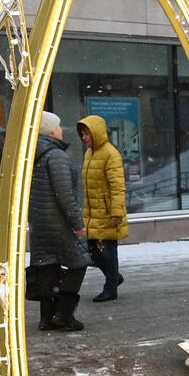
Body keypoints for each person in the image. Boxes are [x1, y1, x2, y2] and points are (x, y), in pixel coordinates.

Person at [28, 112, 91, 331]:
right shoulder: (55, 156)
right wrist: (78, 224)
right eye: (59, 125)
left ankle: (46, 318)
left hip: (38, 221)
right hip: (58, 222)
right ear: (50, 130)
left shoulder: (31, 154)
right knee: (79, 262)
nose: (61, 129)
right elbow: (65, 195)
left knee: (47, 266)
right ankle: (64, 313)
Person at [77, 114, 127, 301]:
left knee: (108, 252)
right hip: (92, 213)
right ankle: (114, 277)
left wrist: (116, 212)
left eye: (87, 134)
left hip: (107, 213)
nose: (84, 138)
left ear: (96, 133)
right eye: (82, 134)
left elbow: (117, 186)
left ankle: (110, 288)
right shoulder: (89, 154)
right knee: (91, 252)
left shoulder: (111, 154)